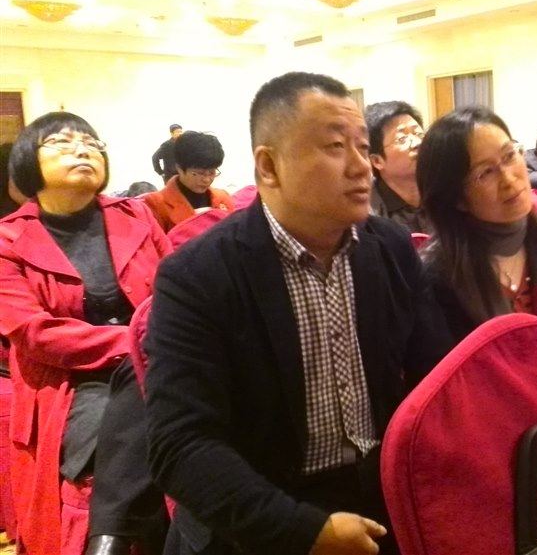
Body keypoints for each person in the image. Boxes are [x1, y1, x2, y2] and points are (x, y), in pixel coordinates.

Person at [144, 71, 453, 555]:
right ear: (268, 166)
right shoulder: (198, 274)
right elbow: (181, 444)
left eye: (362, 147)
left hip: (381, 492)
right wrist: (302, 530)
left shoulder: (389, 247)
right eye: (336, 147)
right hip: (258, 511)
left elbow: (435, 376)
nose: (361, 168)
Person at [0, 112, 172, 555]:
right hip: (73, 380)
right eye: (62, 143)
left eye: (92, 143)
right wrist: (135, 343)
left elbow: (178, 287)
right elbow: (34, 333)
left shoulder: (137, 215)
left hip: (160, 360)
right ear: (27, 161)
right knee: (107, 434)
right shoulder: (8, 240)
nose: (82, 149)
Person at [417, 107, 537, 342]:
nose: (509, 179)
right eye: (485, 173)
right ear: (457, 198)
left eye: (509, 156)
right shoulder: (438, 271)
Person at [143, 131, 234, 232]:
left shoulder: (223, 198)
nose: (206, 179)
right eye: (199, 173)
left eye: (212, 172)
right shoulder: (156, 204)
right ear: (179, 168)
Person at [365, 100, 432, 234]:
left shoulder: (446, 192)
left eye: (419, 134)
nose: (418, 143)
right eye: (402, 139)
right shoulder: (366, 212)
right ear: (377, 161)